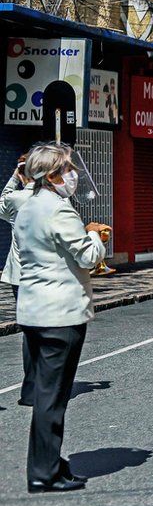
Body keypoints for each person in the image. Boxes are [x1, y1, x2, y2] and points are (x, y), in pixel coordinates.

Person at [16, 142, 109, 493]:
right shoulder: (59, 210)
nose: (73, 174)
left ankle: (50, 464)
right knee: (53, 398)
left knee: (45, 394)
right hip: (60, 314)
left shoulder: (28, 207)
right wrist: (94, 234)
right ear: (51, 175)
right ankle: (44, 472)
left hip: (34, 310)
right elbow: (88, 258)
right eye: (67, 169)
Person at [1, 155, 36, 407]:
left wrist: (15, 175)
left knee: (29, 329)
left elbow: (3, 200)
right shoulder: (55, 201)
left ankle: (30, 387)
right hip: (44, 274)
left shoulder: (15, 199)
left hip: (19, 275)